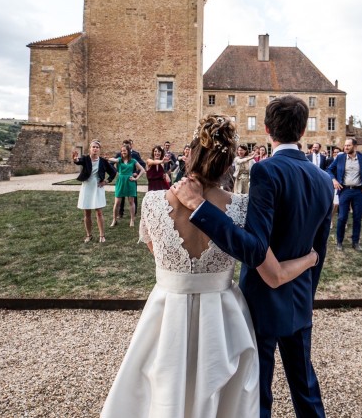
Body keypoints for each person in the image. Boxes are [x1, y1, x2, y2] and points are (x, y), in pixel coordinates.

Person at [101, 115, 319, 418]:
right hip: (223, 316)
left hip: (167, 311)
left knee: (164, 387)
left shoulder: (152, 202)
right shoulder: (241, 206)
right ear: (229, 162)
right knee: (222, 396)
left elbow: (158, 254)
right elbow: (266, 264)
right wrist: (311, 258)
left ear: (191, 153)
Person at [173, 96, 333, 417]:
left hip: (262, 300)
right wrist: (307, 294)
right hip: (301, 297)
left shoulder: (266, 171)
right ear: (303, 131)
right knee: (305, 386)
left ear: (266, 129)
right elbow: (319, 249)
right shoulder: (325, 180)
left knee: (258, 390)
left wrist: (200, 209)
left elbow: (255, 247)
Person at [326, 138, 362, 252]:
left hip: (359, 191)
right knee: (342, 217)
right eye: (345, 145)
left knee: (357, 218)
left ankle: (355, 242)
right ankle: (339, 241)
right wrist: (334, 180)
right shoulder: (340, 157)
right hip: (344, 190)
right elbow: (329, 169)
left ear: (355, 146)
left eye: (348, 145)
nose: (346, 147)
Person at [72, 140, 116, 243]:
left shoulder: (103, 161)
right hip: (87, 187)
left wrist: (106, 181)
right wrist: (75, 159)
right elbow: (78, 161)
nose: (95, 149)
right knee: (87, 213)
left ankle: (102, 235)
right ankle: (89, 235)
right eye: (93, 147)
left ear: (99, 149)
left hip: (97, 187)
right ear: (90, 149)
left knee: (99, 212)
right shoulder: (85, 159)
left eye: (97, 147)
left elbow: (113, 172)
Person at [108, 144, 145, 228]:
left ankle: (132, 220)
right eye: (121, 151)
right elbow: (114, 160)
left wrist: (136, 178)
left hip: (130, 182)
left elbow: (142, 169)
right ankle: (114, 220)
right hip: (120, 181)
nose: (123, 152)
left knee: (131, 201)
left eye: (124, 150)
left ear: (128, 151)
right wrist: (108, 158)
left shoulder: (133, 161)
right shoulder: (119, 160)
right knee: (117, 202)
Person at [117, 139, 146, 219]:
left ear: (130, 145)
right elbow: (112, 163)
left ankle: (134, 213)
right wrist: (117, 172)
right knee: (120, 196)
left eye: (128, 145)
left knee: (133, 196)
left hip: (131, 178)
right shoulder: (119, 154)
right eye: (124, 144)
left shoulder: (135, 154)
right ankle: (120, 213)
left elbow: (142, 164)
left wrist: (136, 172)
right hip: (122, 178)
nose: (126, 146)